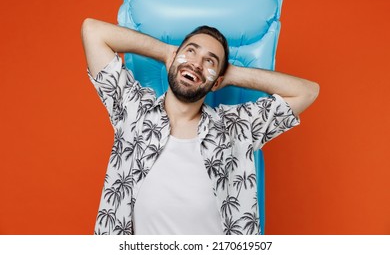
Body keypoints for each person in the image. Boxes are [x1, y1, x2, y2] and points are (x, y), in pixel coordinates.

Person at [81, 18, 319, 235]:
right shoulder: (133, 110)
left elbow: (307, 92)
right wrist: (166, 52)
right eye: (191, 52)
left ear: (217, 82)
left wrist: (231, 75)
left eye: (209, 61)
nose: (196, 64)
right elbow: (93, 31)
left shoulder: (236, 127)